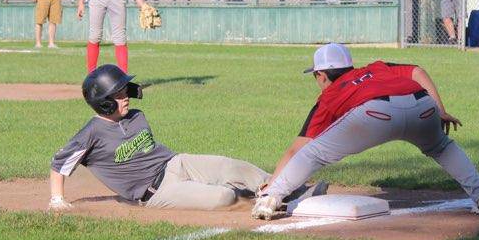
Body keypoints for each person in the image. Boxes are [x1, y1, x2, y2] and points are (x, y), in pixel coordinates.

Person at [252, 43, 479, 220]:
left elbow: (298, 148)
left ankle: (270, 200)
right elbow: (417, 71)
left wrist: (271, 184)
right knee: (442, 147)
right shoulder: (376, 67)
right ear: (349, 66)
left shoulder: (328, 96)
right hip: (423, 106)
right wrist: (440, 109)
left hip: (374, 114)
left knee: (313, 154)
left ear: (321, 75)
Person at [49, 65, 327, 212]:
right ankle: (267, 202)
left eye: (125, 91)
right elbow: (59, 164)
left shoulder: (136, 116)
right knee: (224, 196)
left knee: (231, 168)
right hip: (156, 193)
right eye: (119, 94)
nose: (126, 97)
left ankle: (288, 189)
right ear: (103, 103)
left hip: (175, 163)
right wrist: (57, 199)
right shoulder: (91, 133)